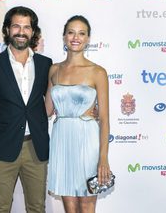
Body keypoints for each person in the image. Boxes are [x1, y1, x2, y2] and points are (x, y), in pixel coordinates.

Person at [0, 6, 52, 213]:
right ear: (7, 30)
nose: (21, 31)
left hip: (36, 147)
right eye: (16, 26)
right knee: (0, 207)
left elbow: (55, 100)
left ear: (33, 32)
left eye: (27, 27)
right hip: (1, 149)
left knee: (37, 207)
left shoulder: (46, 64)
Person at [45, 15, 111, 213]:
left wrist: (103, 158)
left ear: (88, 38)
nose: (76, 37)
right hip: (62, 140)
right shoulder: (54, 70)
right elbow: (47, 110)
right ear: (64, 37)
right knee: (70, 208)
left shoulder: (97, 72)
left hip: (87, 141)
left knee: (87, 205)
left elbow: (105, 119)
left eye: (82, 33)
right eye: (71, 32)